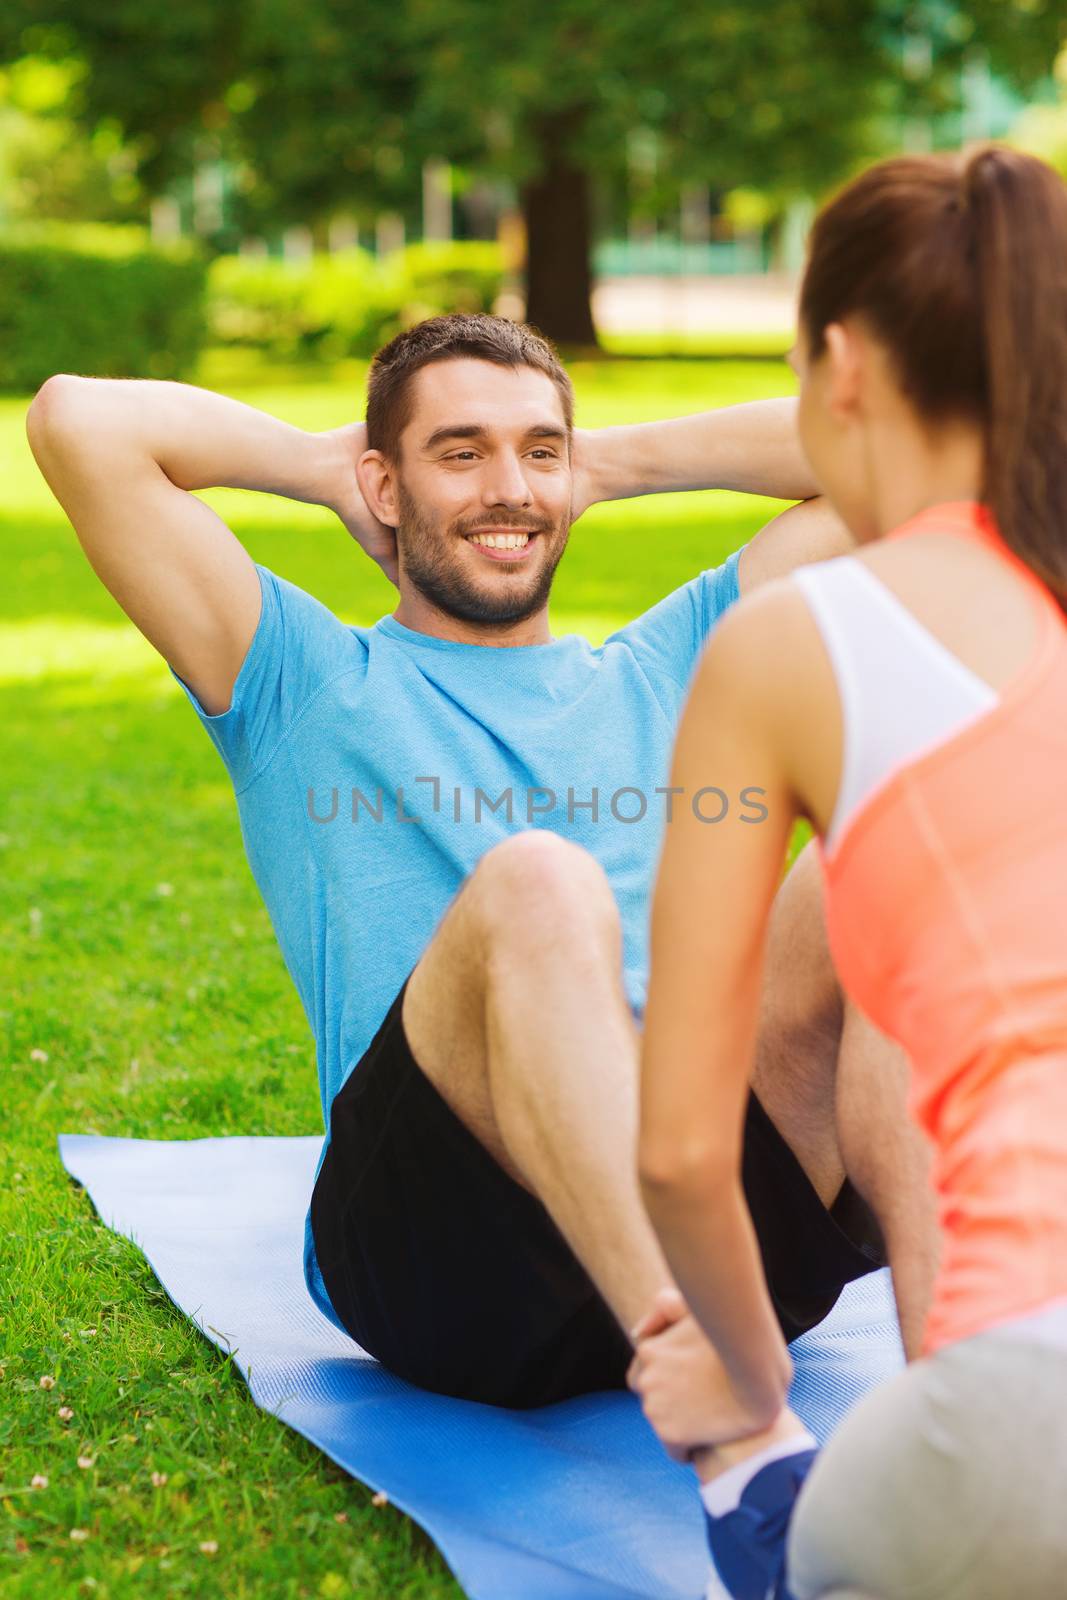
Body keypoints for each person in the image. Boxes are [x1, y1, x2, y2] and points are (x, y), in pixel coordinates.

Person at [26, 314, 922, 1418]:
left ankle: (964, 1395)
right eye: (459, 452)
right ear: (384, 484)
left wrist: (602, 464)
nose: (508, 488)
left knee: (901, 829)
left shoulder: (676, 663)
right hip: (454, 1268)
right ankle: (719, 1414)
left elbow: (907, 455)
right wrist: (324, 469)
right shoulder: (301, 679)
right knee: (535, 880)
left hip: (717, 1216)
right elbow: (78, 420)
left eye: (536, 450)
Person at [632, 145, 1067, 1599]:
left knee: (774, 1494)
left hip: (1025, 1412)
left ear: (835, 364)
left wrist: (743, 1397)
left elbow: (682, 1152)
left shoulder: (789, 645)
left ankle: (750, 1471)